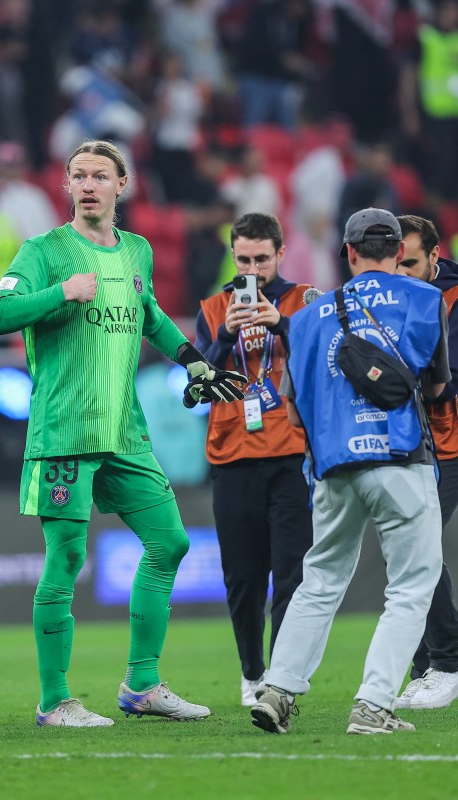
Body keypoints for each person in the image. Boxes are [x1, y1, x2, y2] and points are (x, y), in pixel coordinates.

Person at [0, 140, 244, 727]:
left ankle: (142, 686)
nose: (88, 184)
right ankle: (55, 701)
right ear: (68, 187)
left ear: (122, 184)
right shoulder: (43, 251)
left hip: (125, 430)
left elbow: (147, 311)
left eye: (100, 175)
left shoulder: (137, 251)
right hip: (66, 430)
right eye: (78, 175)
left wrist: (193, 360)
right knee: (67, 556)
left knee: (170, 541)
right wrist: (60, 292)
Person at [251, 208, 450, 736]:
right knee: (410, 585)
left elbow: (292, 411)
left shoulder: (309, 317)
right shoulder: (427, 298)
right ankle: (374, 705)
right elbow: (435, 388)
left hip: (332, 467)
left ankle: (277, 688)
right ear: (398, 250)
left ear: (350, 252)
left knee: (319, 581)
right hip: (400, 458)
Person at [192, 212, 313, 707]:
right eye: (243, 259)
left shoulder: (303, 300)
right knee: (243, 577)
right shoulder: (213, 307)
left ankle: (280, 677)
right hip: (232, 455)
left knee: (291, 573)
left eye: (262, 259)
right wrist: (224, 337)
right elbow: (198, 381)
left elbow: (326, 358)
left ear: (280, 254)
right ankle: (251, 673)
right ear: (232, 254)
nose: (253, 268)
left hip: (291, 455)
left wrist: (279, 323)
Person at [393, 215, 458, 710]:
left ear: (436, 258)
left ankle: (449, 663)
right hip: (411, 441)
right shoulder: (396, 300)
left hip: (455, 443)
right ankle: (423, 667)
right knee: (407, 547)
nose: (404, 273)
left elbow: (448, 380)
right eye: (397, 264)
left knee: (419, 542)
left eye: (412, 263)